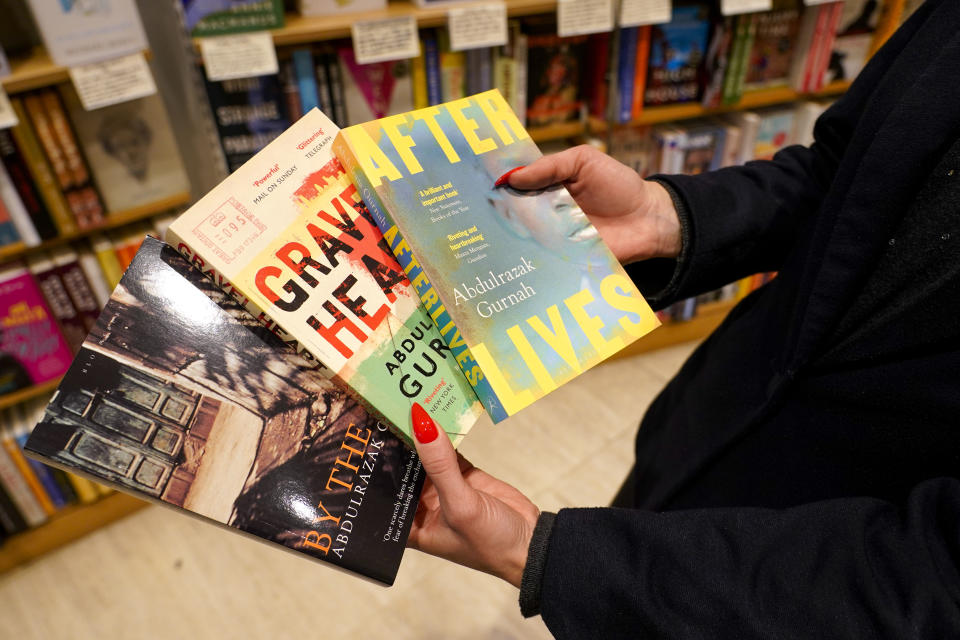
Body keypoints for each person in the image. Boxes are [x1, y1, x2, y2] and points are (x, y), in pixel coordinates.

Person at [405, 1, 960, 638]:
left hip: (805, 565)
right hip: (713, 417)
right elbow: (840, 171)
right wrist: (669, 216)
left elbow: (930, 586)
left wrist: (554, 558)